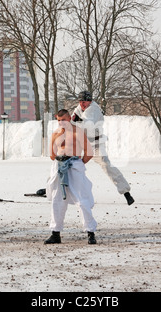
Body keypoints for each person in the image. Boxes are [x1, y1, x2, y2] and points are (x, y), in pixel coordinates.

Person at [71, 91, 135, 205]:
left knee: (106, 165)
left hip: (96, 143)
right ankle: (56, 188)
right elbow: (72, 122)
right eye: (80, 102)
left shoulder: (93, 109)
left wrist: (77, 121)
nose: (82, 104)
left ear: (89, 101)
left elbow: (88, 124)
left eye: (84, 102)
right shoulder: (79, 108)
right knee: (68, 162)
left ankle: (126, 192)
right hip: (82, 142)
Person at [44, 109, 98, 245]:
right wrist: (60, 162)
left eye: (64, 120)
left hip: (74, 165)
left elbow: (89, 152)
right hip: (59, 166)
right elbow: (51, 154)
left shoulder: (77, 131)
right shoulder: (55, 134)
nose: (61, 122)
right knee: (57, 199)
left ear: (69, 118)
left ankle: (90, 232)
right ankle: (55, 233)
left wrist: (77, 163)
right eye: (59, 120)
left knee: (81, 199)